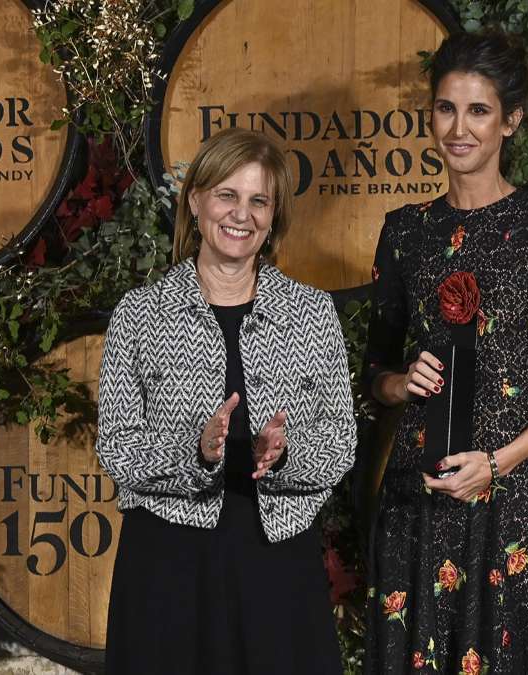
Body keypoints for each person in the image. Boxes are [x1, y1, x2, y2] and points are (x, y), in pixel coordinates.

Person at [362, 30, 528, 674]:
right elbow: (374, 370)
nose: (459, 128)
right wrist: (399, 382)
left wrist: (502, 461)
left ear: (511, 121)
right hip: (421, 500)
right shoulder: (405, 231)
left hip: (517, 499)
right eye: (446, 108)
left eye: (478, 110)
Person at [96, 127, 357, 674]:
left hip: (277, 563)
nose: (242, 214)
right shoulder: (139, 314)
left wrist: (283, 454)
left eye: (259, 200)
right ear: (195, 202)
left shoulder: (312, 312)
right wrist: (194, 451)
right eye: (227, 195)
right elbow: (117, 448)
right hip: (168, 565)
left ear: (273, 215)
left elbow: (339, 445)